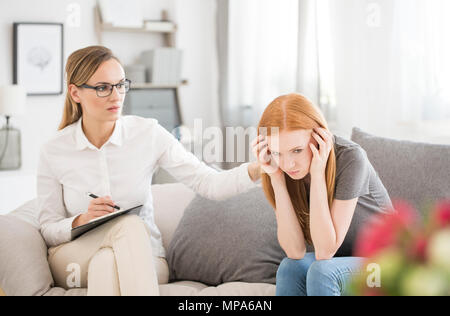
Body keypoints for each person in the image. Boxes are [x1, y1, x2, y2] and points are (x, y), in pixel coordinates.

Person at [38, 45, 261, 296]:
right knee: (128, 228)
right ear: (75, 93)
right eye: (103, 88)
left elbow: (207, 182)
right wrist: (82, 220)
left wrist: (257, 169)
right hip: (75, 257)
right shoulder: (53, 150)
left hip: (145, 256)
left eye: (121, 84)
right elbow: (47, 227)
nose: (116, 96)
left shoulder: (147, 133)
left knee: (110, 259)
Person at [252, 93, 393, 296]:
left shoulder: (351, 158)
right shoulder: (280, 169)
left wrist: (318, 174)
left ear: (319, 138)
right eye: (277, 153)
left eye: (297, 150)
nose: (288, 164)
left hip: (386, 267)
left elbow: (325, 252)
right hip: (339, 264)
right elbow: (295, 251)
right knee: (289, 268)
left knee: (322, 272)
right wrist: (277, 180)